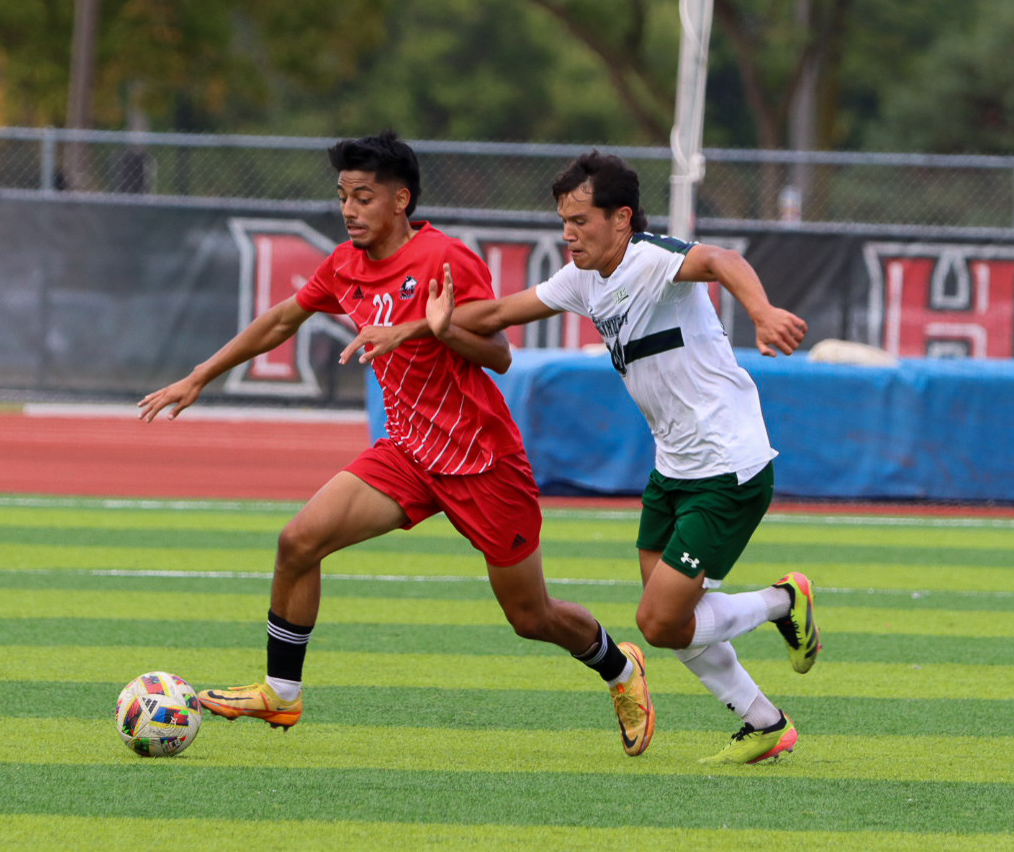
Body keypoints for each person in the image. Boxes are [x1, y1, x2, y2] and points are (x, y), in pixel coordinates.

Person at [137, 132, 654, 757]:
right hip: (406, 452)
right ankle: (281, 690)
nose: (349, 210)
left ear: (400, 199)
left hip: (481, 460)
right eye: (342, 196)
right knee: (298, 541)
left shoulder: (446, 259)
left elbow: (499, 353)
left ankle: (619, 668)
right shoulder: (344, 265)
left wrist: (432, 332)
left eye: (363, 197)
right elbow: (280, 320)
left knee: (531, 616)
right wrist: (199, 378)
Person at [359, 150, 820, 765]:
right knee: (677, 618)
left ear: (621, 218)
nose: (567, 234)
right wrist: (417, 327)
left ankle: (784, 602)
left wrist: (760, 312)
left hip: (727, 467)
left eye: (580, 220)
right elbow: (495, 315)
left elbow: (721, 259)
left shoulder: (652, 260)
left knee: (658, 623)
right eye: (562, 221)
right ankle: (764, 722)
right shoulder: (581, 279)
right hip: (674, 467)